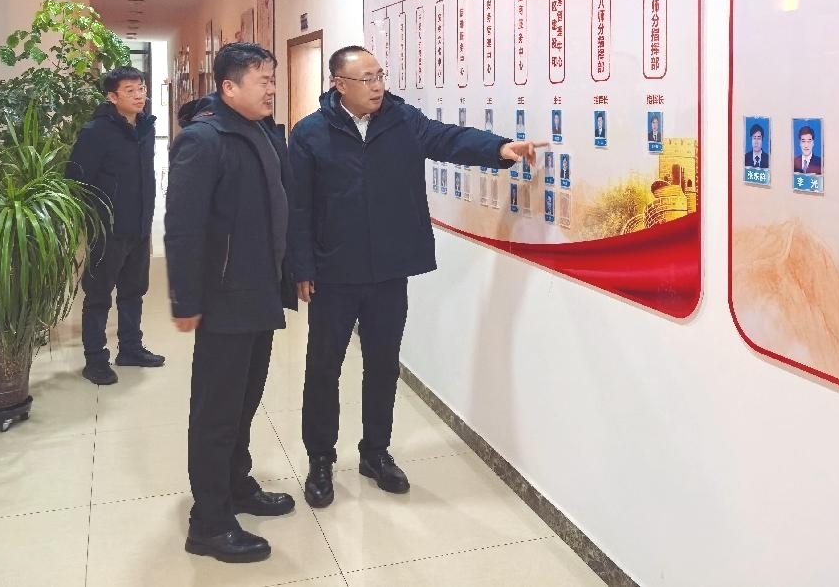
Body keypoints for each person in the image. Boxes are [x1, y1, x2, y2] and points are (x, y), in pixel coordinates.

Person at [288, 46, 542, 509]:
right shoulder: (310, 134)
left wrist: (499, 149)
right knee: (323, 368)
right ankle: (320, 460)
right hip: (333, 272)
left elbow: (448, 139)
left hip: (388, 270)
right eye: (366, 78)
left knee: (383, 364)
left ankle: (375, 453)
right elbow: (299, 205)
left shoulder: (401, 120)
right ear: (339, 84)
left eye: (379, 75)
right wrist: (301, 267)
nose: (377, 86)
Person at [164, 42, 298, 563]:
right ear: (228, 87)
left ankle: (236, 485)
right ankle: (209, 523)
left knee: (244, 401)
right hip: (224, 297)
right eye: (262, 80)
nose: (271, 88)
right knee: (217, 412)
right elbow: (183, 227)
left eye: (272, 78)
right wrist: (186, 299)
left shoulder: (260, 131)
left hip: (259, 290)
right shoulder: (204, 140)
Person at [67, 66, 162, 385]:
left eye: (142, 88)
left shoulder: (145, 128)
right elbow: (76, 179)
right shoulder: (96, 132)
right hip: (107, 230)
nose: (139, 95)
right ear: (112, 96)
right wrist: (95, 218)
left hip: (139, 226)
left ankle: (130, 348)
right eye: (130, 90)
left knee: (134, 291)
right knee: (98, 296)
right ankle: (95, 359)